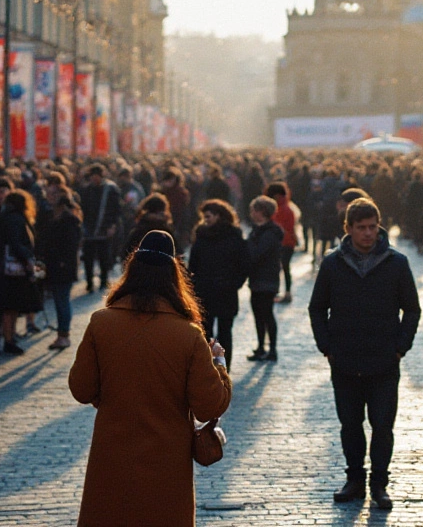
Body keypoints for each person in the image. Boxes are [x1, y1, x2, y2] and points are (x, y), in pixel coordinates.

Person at [68, 229, 232, 526]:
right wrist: (219, 362)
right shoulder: (187, 334)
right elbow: (210, 405)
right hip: (166, 457)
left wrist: (109, 393)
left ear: (131, 272)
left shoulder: (102, 323)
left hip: (112, 452)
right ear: (173, 276)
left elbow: (81, 388)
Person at [309, 198, 420, 509]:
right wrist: (326, 346)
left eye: (373, 227)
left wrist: (401, 346)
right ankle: (355, 479)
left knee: (383, 426)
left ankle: (380, 483)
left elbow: (411, 309)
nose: (368, 234)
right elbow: (317, 308)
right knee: (350, 424)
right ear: (349, 229)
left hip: (384, 359)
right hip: (344, 359)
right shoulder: (332, 264)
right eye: (362, 228)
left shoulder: (396, 263)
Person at [188, 199, 249, 361]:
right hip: (206, 291)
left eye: (208, 216)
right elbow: (193, 265)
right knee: (206, 332)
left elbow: (243, 265)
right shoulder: (202, 236)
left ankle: (222, 368)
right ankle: (209, 367)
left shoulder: (233, 237)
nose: (205, 220)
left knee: (223, 332)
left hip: (224, 291)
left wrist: (234, 283)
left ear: (219, 216)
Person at [0, 190, 42, 356]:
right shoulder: (16, 219)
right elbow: (16, 243)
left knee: (8, 307)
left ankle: (6, 337)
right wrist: (27, 258)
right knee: (10, 307)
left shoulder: (4, 217)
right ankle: (9, 339)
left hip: (4, 269)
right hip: (13, 270)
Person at [37, 193, 83, 350]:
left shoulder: (69, 221)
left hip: (63, 268)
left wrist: (61, 262)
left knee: (62, 300)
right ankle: (62, 334)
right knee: (60, 300)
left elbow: (69, 248)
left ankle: (63, 335)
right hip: (56, 266)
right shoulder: (54, 218)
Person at [247, 195, 284, 362]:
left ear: (262, 211)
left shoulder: (270, 233)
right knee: (258, 314)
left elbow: (257, 253)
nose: (251, 213)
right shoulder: (258, 230)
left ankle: (272, 349)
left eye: (254, 209)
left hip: (267, 278)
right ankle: (261, 346)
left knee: (266, 314)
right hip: (258, 278)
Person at [78, 165, 121, 293]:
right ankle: (89, 282)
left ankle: (103, 280)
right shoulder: (87, 190)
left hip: (104, 227)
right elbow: (83, 209)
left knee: (104, 257)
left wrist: (113, 225)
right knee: (88, 258)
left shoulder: (111, 189)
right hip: (89, 229)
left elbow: (116, 209)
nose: (94, 179)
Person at [267, 182, 299, 304]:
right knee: (284, 268)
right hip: (285, 242)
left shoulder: (283, 209)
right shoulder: (285, 207)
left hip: (284, 243)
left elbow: (287, 228)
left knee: (282, 267)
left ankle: (285, 292)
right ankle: (285, 292)